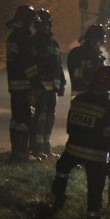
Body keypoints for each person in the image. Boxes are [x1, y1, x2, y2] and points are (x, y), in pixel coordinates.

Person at [51, 65, 110, 219]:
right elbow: (109, 138)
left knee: (62, 168)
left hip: (73, 149)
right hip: (97, 157)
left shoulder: (78, 100)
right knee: (95, 192)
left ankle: (58, 199)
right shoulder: (109, 107)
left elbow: (69, 128)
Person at [5, 4, 44, 162]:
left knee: (17, 121)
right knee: (26, 120)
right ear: (27, 20)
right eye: (32, 21)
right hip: (25, 86)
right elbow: (28, 64)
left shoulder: (13, 36)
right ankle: (23, 153)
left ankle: (17, 151)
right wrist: (37, 83)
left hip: (15, 85)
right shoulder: (23, 39)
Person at [31, 8, 66, 159]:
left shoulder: (54, 43)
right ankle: (36, 148)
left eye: (47, 23)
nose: (45, 27)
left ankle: (46, 147)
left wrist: (62, 83)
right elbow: (32, 64)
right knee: (39, 116)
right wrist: (35, 84)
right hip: (38, 87)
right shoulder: (33, 42)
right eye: (42, 24)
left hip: (52, 88)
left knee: (50, 116)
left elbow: (58, 64)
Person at [67, 24, 107, 99]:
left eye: (98, 40)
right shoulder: (77, 53)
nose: (96, 42)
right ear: (88, 38)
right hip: (82, 94)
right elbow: (76, 74)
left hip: (89, 95)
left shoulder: (98, 57)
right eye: (94, 39)